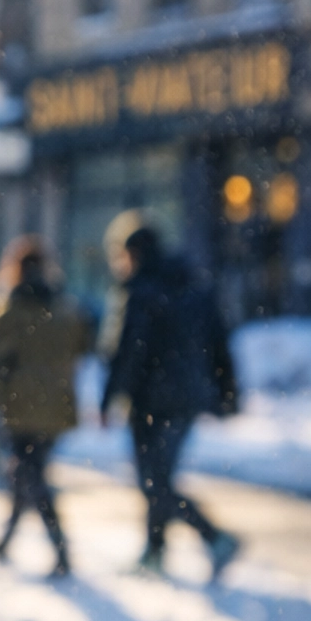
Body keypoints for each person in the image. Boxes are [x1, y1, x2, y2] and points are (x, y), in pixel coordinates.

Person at [101, 220, 241, 579]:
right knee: (157, 478)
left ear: (134, 254)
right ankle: (156, 551)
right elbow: (219, 342)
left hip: (150, 401)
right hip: (186, 398)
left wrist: (110, 397)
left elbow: (128, 351)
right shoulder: (193, 286)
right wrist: (227, 392)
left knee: (155, 480)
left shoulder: (142, 292)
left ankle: (215, 537)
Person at [0, 236, 88, 579]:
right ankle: (9, 540)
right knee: (26, 473)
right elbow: (81, 346)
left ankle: (61, 550)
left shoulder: (8, 310)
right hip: (56, 406)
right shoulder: (65, 307)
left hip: (21, 405)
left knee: (30, 475)